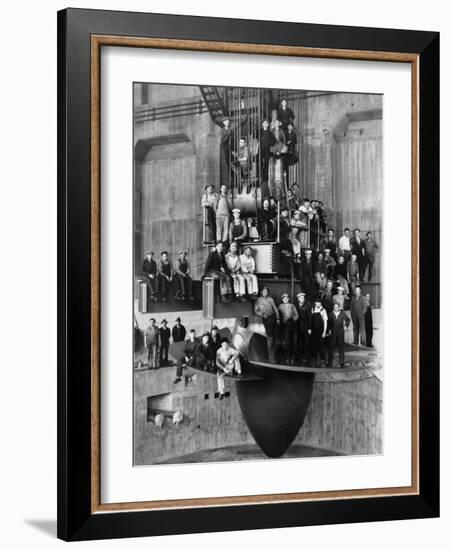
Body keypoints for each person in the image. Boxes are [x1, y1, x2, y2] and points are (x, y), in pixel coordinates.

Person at [254, 286, 279, 362]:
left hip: (273, 318)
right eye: (264, 291)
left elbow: (275, 308)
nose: (265, 293)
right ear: (261, 292)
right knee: (270, 337)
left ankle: (273, 354)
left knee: (275, 337)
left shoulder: (270, 299)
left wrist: (278, 318)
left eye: (266, 291)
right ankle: (271, 357)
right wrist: (262, 314)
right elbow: (256, 310)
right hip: (266, 319)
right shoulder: (258, 300)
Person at [327, 303, 351, 368]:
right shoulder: (330, 314)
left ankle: (341, 363)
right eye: (334, 307)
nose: (335, 308)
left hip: (340, 332)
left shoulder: (342, 313)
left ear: (339, 307)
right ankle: (329, 363)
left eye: (337, 307)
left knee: (341, 348)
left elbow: (348, 320)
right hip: (333, 333)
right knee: (331, 347)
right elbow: (328, 323)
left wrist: (346, 326)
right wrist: (328, 330)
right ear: (333, 307)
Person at [278, 293, 299, 364]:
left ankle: (293, 358)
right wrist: (281, 320)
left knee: (294, 342)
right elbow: (278, 314)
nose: (286, 299)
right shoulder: (280, 306)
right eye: (284, 298)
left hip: (293, 324)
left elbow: (296, 314)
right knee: (287, 342)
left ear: (288, 299)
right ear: (282, 299)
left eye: (287, 298)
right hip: (285, 325)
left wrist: (293, 319)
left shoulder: (292, 305)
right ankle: (287, 357)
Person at [259, 118, 276, 200]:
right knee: (259, 164)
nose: (265, 124)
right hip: (260, 150)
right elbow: (255, 135)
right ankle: (260, 178)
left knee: (266, 165)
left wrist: (270, 141)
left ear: (268, 124)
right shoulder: (260, 131)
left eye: (267, 123)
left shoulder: (270, 133)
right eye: (264, 123)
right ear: (262, 124)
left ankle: (265, 180)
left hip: (267, 151)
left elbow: (273, 142)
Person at [310, 298, 328, 367]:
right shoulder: (313, 309)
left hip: (321, 331)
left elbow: (325, 322)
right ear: (315, 303)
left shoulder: (323, 310)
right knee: (313, 345)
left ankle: (322, 359)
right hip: (314, 331)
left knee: (321, 345)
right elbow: (310, 320)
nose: (318, 304)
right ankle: (314, 359)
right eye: (317, 303)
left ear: (321, 303)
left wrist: (324, 332)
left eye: (319, 303)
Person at [296, 292, 312, 364]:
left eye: (302, 298)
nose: (301, 299)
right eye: (300, 298)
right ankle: (300, 357)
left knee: (307, 343)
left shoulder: (307, 306)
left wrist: (309, 328)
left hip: (306, 327)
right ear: (298, 299)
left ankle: (307, 358)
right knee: (299, 343)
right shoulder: (296, 306)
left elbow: (310, 317)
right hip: (299, 327)